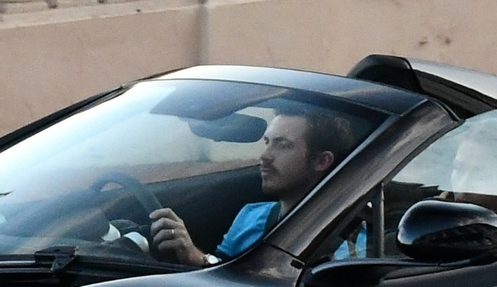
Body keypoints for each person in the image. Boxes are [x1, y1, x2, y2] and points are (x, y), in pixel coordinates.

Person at [149, 108, 358, 266]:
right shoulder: (250, 215)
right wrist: (188, 252)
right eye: (267, 142)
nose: (265, 156)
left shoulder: (351, 241)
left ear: (321, 161)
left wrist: (196, 256)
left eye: (283, 145)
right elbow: (221, 274)